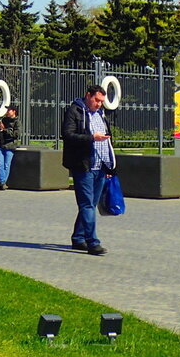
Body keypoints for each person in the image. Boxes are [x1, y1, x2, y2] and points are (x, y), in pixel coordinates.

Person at [61, 84, 116, 256]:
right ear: (88, 95)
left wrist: (110, 166)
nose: (99, 104)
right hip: (83, 165)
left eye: (102, 101)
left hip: (100, 166)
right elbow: (68, 135)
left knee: (91, 204)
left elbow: (108, 140)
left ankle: (78, 238)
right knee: (86, 204)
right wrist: (92, 138)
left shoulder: (100, 114)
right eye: (97, 100)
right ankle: (93, 242)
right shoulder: (75, 111)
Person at [0, 105, 19, 190]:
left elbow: (16, 134)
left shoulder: (17, 122)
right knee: (0, 164)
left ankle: (0, 183)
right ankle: (2, 183)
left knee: (6, 165)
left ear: (14, 111)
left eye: (9, 110)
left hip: (10, 145)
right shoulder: (4, 120)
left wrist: (5, 130)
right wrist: (0, 128)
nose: (7, 111)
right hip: (1, 144)